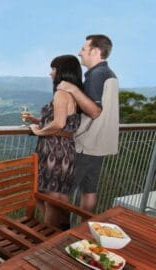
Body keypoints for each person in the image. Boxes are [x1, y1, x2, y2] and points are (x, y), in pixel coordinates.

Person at [57, 35, 119, 214]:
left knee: (63, 193)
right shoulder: (109, 74)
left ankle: (63, 234)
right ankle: (85, 230)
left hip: (86, 144)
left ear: (96, 51)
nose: (79, 53)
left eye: (83, 49)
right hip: (99, 145)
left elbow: (94, 111)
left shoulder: (97, 75)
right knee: (89, 190)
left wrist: (73, 89)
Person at [21, 55, 82, 228]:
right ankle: (62, 233)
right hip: (65, 150)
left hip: (55, 152)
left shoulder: (62, 94)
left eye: (53, 69)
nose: (50, 73)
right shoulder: (75, 94)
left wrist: (38, 131)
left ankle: (48, 238)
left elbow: (59, 123)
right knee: (57, 196)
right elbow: (64, 123)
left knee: (49, 199)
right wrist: (36, 120)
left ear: (62, 71)